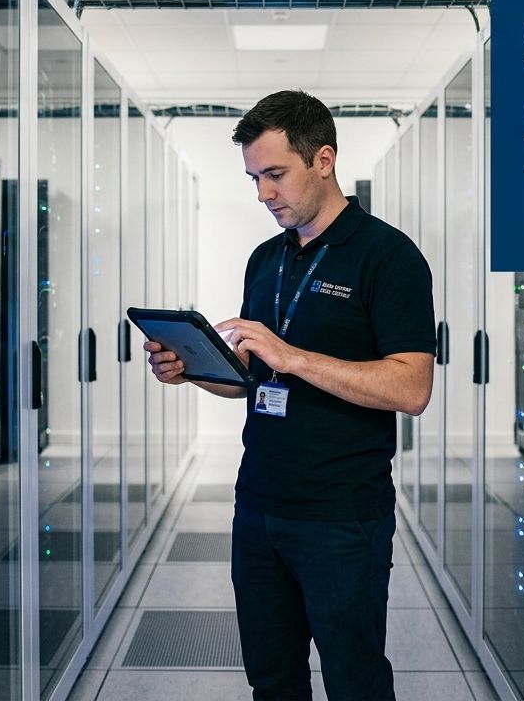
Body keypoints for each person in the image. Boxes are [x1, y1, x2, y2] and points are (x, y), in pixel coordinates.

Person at [143, 90, 435, 701]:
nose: (263, 194)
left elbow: (411, 388)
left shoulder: (389, 257)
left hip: (342, 513)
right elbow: (252, 380)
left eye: (275, 174)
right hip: (259, 505)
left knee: (355, 680)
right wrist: (192, 369)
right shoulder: (265, 260)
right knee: (272, 678)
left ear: (324, 159)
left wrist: (293, 357)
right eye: (254, 178)